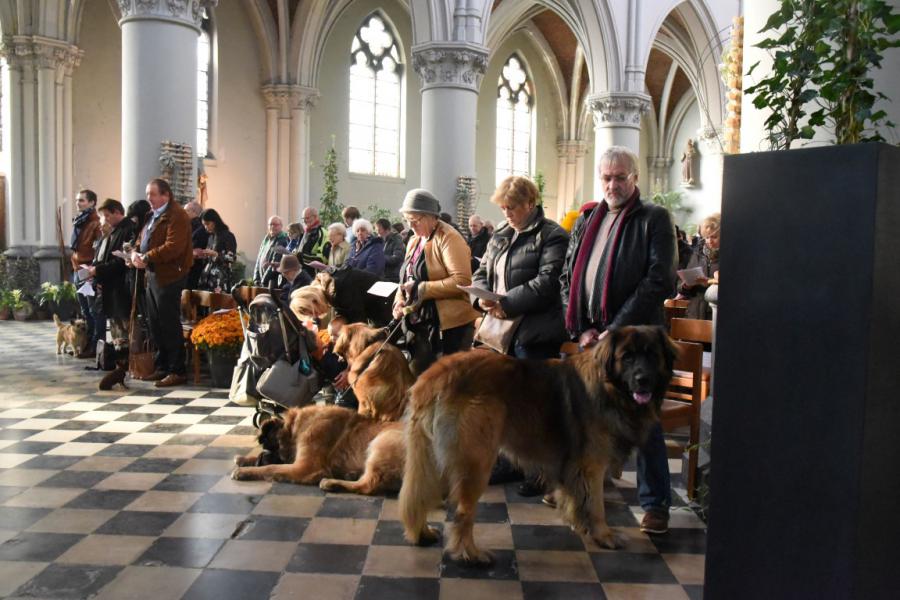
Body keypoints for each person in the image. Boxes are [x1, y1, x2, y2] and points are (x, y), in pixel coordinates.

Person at [560, 146, 677, 535]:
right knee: (591, 414)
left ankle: (655, 502)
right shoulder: (587, 218)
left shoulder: (654, 218)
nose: (612, 184)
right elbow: (568, 275)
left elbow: (659, 279)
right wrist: (581, 328)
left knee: (646, 420)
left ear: (635, 178)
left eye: (620, 177)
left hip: (637, 342)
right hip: (593, 338)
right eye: (606, 177)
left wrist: (616, 329)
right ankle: (591, 484)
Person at [471, 176, 570, 496]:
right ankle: (509, 462)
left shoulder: (552, 235)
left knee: (535, 405)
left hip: (534, 332)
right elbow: (481, 271)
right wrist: (480, 297)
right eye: (502, 207)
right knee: (504, 402)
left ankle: (541, 471)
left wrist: (507, 304)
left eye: (511, 207)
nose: (506, 213)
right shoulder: (500, 233)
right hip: (501, 333)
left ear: (531, 203)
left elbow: (547, 282)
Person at [394, 189, 479, 374]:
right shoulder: (414, 240)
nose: (411, 226)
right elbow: (406, 275)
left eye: (415, 220)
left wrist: (421, 288)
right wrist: (399, 300)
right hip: (420, 322)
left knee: (445, 385)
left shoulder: (449, 238)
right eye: (407, 220)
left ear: (431, 217)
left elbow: (462, 280)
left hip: (449, 327)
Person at [130, 178, 194, 387]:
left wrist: (146, 257)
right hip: (153, 275)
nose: (149, 198)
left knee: (169, 323)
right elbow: (142, 240)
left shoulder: (177, 215)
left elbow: (173, 246)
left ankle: (177, 370)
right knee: (155, 323)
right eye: (148, 194)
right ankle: (162, 366)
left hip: (170, 275)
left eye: (153, 194)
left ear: (166, 195)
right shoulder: (152, 215)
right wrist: (135, 254)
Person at [85, 199, 135, 348]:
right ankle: (118, 360)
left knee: (125, 331)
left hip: (122, 288)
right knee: (115, 330)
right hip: (112, 288)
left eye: (107, 215)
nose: (105, 219)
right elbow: (107, 256)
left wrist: (98, 270)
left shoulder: (127, 230)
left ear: (118, 212)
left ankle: (125, 361)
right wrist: (96, 270)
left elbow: (121, 261)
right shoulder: (115, 230)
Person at [71, 189, 102, 358]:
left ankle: (95, 345)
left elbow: (98, 249)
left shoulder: (95, 223)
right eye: (77, 200)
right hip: (77, 268)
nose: (78, 203)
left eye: (82, 200)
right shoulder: (80, 221)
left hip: (87, 270)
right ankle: (85, 343)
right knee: (84, 310)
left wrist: (91, 270)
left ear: (92, 203)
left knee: (93, 311)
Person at [680, 213, 720, 319]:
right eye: (706, 237)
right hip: (695, 313)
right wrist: (686, 286)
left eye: (714, 237)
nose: (709, 241)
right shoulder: (697, 253)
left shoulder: (731, 255)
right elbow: (682, 288)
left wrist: (709, 281)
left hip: (717, 314)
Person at [196, 208, 238, 292]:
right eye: (204, 225)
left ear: (215, 221)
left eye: (207, 224)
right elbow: (210, 260)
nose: (206, 227)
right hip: (207, 281)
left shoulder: (228, 236)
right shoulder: (211, 237)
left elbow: (232, 258)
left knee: (219, 304)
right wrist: (202, 255)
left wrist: (216, 254)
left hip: (221, 282)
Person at [253, 215, 289, 287]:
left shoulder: (282, 240)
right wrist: (256, 278)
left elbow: (274, 263)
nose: (272, 227)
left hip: (272, 283)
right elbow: (259, 260)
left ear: (281, 226)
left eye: (275, 225)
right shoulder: (266, 239)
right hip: (263, 282)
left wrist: (263, 280)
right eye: (270, 224)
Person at [298, 207, 330, 278]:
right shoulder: (305, 233)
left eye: (307, 218)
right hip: (302, 273)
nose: (305, 221)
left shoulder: (322, 233)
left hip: (315, 276)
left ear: (316, 217)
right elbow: (300, 252)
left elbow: (322, 259)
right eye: (303, 219)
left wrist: (301, 256)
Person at [185, 201, 209, 290]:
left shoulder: (200, 229)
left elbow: (195, 251)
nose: (183, 213)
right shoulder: (189, 226)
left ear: (194, 212)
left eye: (186, 211)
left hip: (194, 271)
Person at [376, 218, 404, 283]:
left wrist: (380, 258)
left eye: (379, 229)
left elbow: (397, 258)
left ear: (386, 229)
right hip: (382, 275)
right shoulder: (380, 240)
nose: (377, 231)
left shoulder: (396, 239)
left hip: (393, 277)